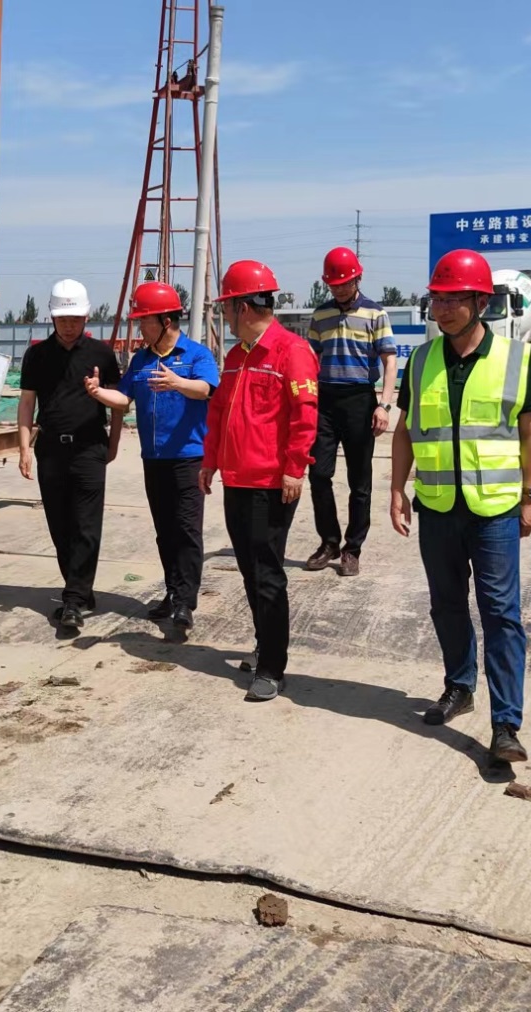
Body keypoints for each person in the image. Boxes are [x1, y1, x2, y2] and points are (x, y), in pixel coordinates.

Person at [389, 249, 531, 769]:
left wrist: (530, 497)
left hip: (495, 510)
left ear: (481, 303)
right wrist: (396, 490)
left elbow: (530, 433)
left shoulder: (516, 360)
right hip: (437, 507)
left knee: (501, 613)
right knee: (447, 605)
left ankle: (506, 724)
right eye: (437, 299)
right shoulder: (420, 361)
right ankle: (459, 685)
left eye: (454, 300)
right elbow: (405, 431)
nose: (442, 309)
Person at [199, 260, 318, 702]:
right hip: (237, 479)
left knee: (267, 574)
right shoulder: (235, 358)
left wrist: (295, 468)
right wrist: (210, 461)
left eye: (227, 309)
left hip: (271, 483)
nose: (225, 317)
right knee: (250, 570)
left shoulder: (291, 352)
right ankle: (264, 642)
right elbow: (219, 413)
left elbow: (305, 415)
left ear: (243, 307)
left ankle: (272, 667)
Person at [84, 282, 219, 635]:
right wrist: (99, 393)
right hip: (153, 459)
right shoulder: (141, 360)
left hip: (189, 458)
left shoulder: (196, 355)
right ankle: (173, 592)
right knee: (165, 531)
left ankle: (185, 602)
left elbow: (206, 389)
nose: (140, 328)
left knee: (187, 531)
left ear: (166, 321)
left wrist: (177, 382)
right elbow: (124, 398)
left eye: (145, 321)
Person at [18, 279, 123, 635]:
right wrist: (23, 447)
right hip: (50, 450)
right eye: (62, 319)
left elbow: (119, 403)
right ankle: (79, 586)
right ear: (52, 317)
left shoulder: (101, 354)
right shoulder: (36, 356)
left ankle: (74, 600)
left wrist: (114, 444)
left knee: (86, 526)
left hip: (89, 448)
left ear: (86, 316)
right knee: (60, 526)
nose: (68, 325)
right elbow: (27, 403)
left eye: (75, 318)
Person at [305, 246, 398, 578]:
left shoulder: (375, 313)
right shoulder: (320, 315)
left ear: (358, 278)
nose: (340, 289)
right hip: (325, 401)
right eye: (334, 284)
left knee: (360, 481)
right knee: (318, 474)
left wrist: (384, 405)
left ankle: (352, 548)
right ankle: (329, 541)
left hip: (360, 400)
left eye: (345, 283)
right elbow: (310, 360)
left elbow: (389, 361)